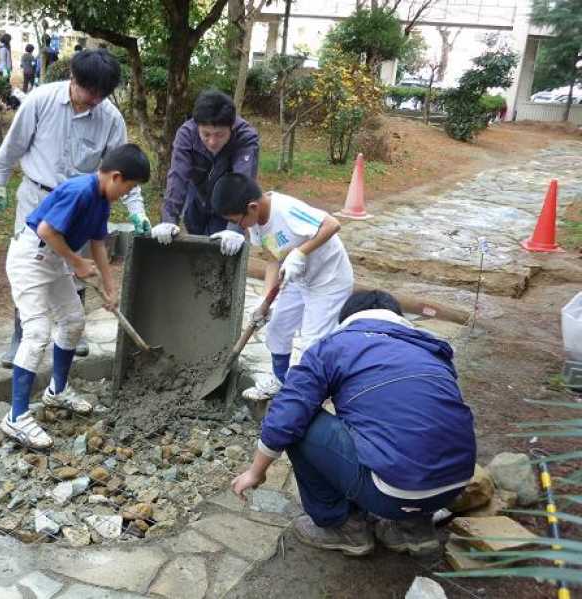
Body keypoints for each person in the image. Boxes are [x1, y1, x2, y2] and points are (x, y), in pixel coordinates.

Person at [232, 290, 476, 557]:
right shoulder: (430, 349)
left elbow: (286, 413)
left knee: (300, 421)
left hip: (394, 490)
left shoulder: (335, 346)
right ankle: (412, 528)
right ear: (397, 318)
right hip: (454, 485)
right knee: (415, 427)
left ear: (347, 320)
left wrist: (256, 471)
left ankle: (344, 527)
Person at [0, 48, 151, 368]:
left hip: (82, 202)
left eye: (101, 95)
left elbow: (123, 169)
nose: (93, 99)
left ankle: (71, 330)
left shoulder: (110, 119)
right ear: (73, 79)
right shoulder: (41, 100)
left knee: (76, 267)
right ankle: (21, 333)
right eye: (88, 91)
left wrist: (137, 209)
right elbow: (14, 145)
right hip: (38, 196)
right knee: (33, 262)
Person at [0, 144, 151, 448]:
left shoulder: (101, 200)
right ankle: (16, 417)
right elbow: (45, 230)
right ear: (116, 177)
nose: (126, 194)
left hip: (53, 260)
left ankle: (57, 391)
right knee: (37, 332)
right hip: (30, 258)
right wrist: (76, 261)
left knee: (72, 321)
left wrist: (110, 287)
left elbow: (97, 243)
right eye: (129, 187)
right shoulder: (80, 191)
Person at [211, 173, 353, 400]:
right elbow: (273, 259)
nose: (239, 227)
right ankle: (279, 379)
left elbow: (332, 224)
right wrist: (265, 300)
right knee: (277, 328)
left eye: (238, 221)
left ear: (252, 207)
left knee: (313, 343)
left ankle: (307, 397)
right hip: (298, 278)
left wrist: (300, 252)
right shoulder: (256, 222)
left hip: (329, 280)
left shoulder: (285, 210)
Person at [151, 90, 259, 256]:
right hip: (196, 196)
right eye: (206, 134)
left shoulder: (245, 137)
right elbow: (177, 177)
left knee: (221, 249)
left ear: (231, 127)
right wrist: (168, 220)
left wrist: (235, 229)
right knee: (197, 245)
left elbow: (243, 182)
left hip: (228, 200)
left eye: (220, 135)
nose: (212, 142)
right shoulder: (186, 134)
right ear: (197, 126)